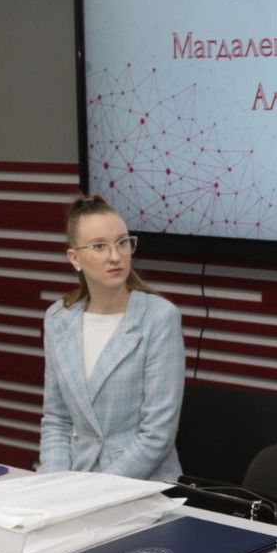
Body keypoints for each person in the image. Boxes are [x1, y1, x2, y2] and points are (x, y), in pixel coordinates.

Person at [38, 194, 185, 482]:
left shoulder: (159, 317)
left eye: (122, 242)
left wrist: (96, 492)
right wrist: (54, 486)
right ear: (75, 258)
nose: (115, 256)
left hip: (142, 487)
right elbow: (56, 420)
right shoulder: (58, 319)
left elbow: (156, 436)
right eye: (99, 246)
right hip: (77, 482)